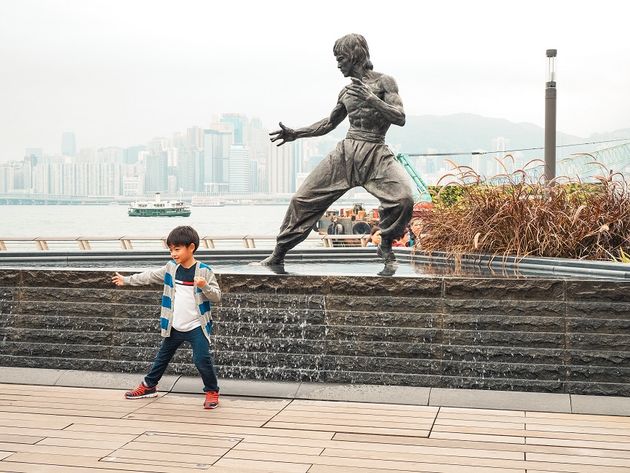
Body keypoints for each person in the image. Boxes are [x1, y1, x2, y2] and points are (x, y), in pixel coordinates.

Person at [261, 33, 413, 266]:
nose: (338, 64)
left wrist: (372, 99)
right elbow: (329, 124)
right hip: (347, 152)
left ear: (354, 56)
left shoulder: (385, 82)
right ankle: (279, 252)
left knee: (403, 199)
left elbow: (400, 117)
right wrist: (296, 133)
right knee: (302, 200)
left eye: (341, 58)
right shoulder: (345, 92)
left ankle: (385, 244)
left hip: (376, 151)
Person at [111, 226, 222, 409]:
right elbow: (150, 276)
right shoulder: (171, 268)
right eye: (171, 249)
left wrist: (204, 286)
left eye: (177, 249)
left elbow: (217, 296)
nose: (173, 253)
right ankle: (149, 386)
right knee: (162, 357)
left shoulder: (204, 271)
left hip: (196, 327)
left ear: (191, 247)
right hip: (174, 325)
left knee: (201, 359)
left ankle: (212, 391)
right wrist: (127, 280)